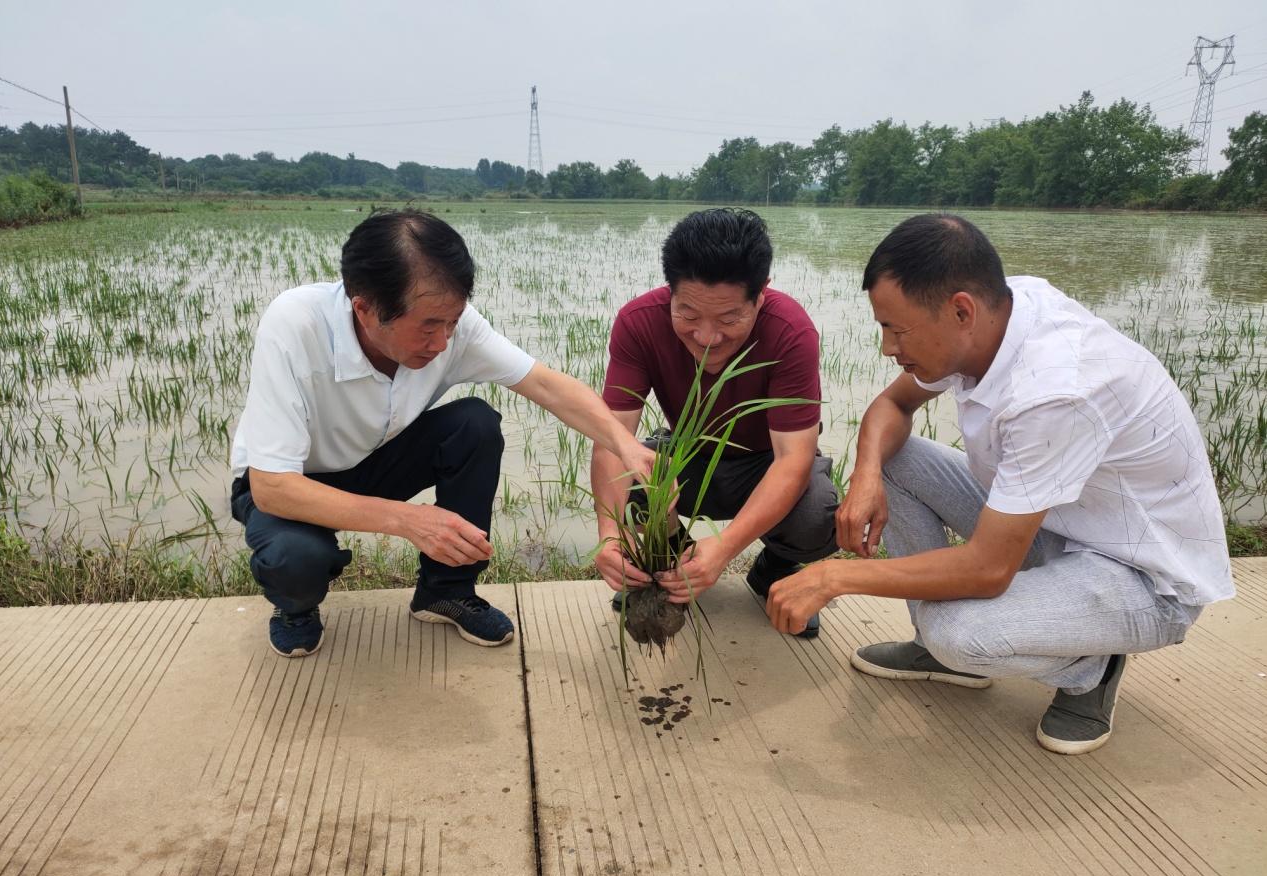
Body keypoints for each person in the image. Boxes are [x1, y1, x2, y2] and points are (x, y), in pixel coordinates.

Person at [767, 214, 1234, 754]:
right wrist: (867, 474)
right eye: (883, 328)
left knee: (960, 635)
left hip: (1142, 575)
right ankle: (935, 650)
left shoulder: (1055, 391)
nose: (887, 348)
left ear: (961, 309)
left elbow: (988, 569)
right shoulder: (1002, 312)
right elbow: (892, 405)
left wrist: (835, 577)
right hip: (1062, 523)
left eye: (896, 329)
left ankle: (1090, 665)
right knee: (897, 459)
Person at [231, 210, 654, 658]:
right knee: (296, 559)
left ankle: (445, 591)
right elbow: (272, 487)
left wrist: (624, 444)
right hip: (294, 483)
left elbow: (546, 384)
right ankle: (295, 609)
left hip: (373, 459)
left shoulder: (452, 326)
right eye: (429, 326)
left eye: (452, 321)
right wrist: (407, 519)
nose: (443, 340)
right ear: (365, 309)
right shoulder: (296, 324)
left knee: (474, 424)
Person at [591, 208, 838, 637]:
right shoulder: (638, 322)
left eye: (728, 319)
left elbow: (792, 460)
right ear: (671, 292)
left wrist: (725, 548)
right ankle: (664, 570)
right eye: (687, 315)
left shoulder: (790, 331)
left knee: (817, 509)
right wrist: (609, 534)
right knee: (634, 474)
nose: (706, 337)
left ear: (761, 295)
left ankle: (775, 571)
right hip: (688, 453)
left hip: (763, 462)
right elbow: (613, 437)